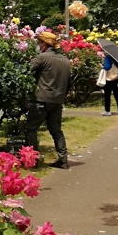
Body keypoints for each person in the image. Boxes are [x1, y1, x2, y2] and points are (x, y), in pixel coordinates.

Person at [25, 31, 72, 169]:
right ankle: (63, 160)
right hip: (57, 100)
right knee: (56, 131)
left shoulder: (42, 58)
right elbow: (69, 83)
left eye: (39, 43)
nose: (38, 46)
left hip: (42, 99)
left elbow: (26, 71)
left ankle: (32, 161)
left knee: (31, 129)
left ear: (44, 44)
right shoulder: (65, 60)